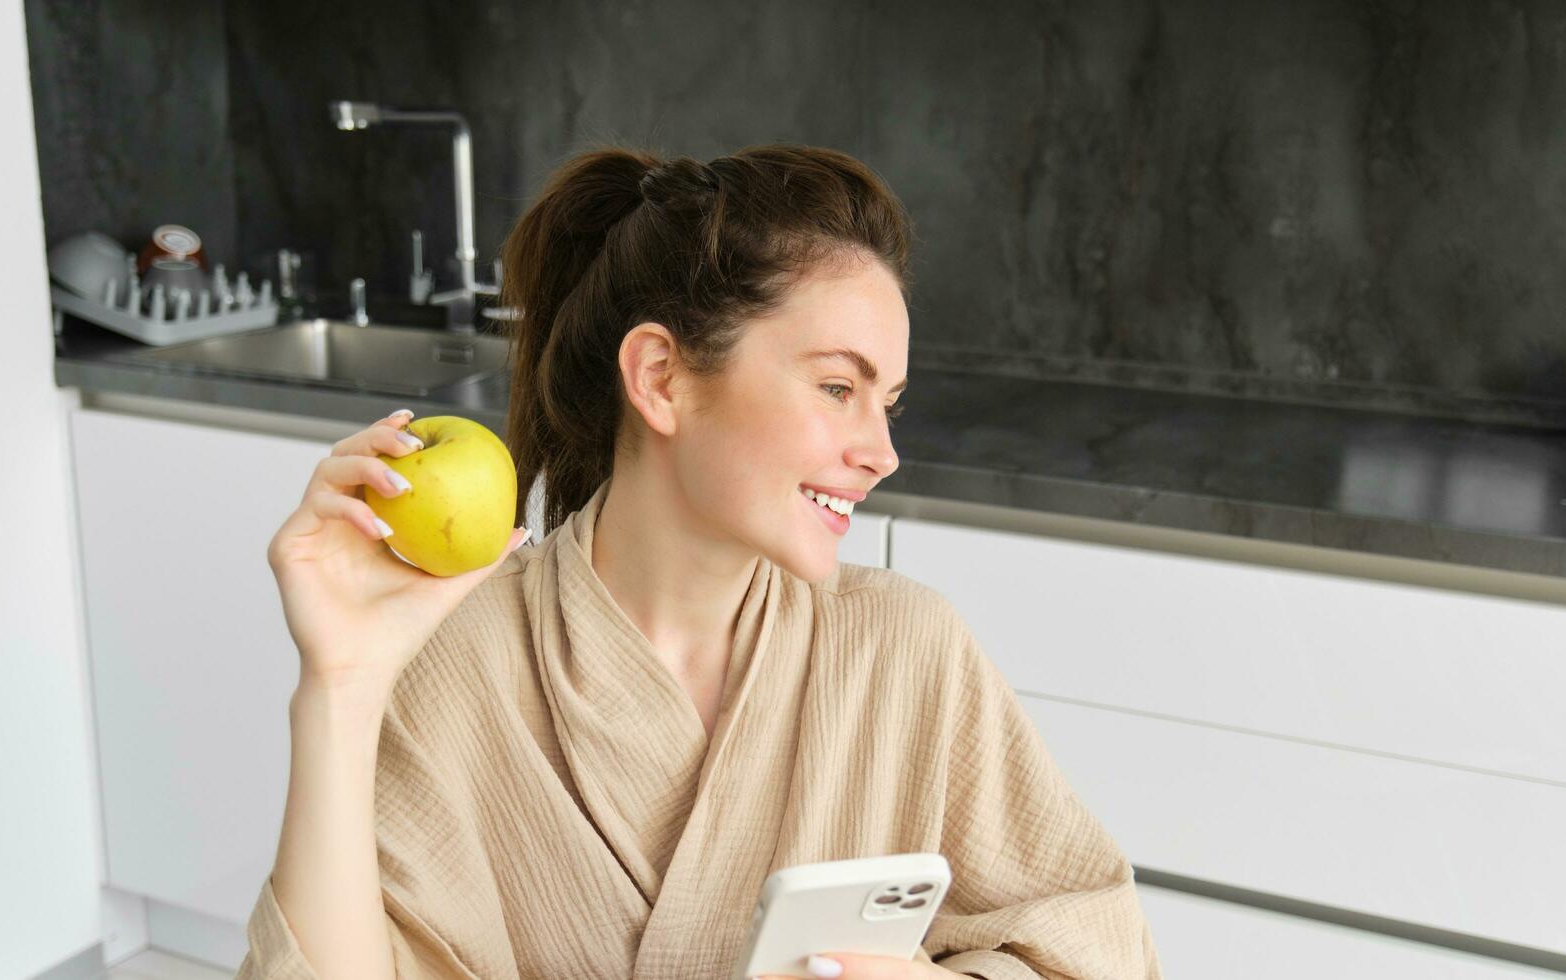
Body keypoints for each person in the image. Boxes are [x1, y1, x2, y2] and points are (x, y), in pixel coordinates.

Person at [238, 143, 1160, 980]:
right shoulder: (454, 653)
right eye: (838, 387)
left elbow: (1097, 943)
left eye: (889, 404)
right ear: (661, 378)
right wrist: (340, 687)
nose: (881, 453)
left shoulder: (906, 649)